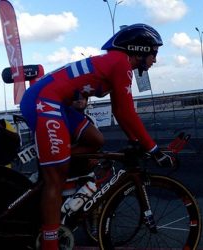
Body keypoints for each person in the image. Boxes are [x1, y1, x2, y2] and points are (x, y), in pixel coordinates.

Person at [19, 23, 175, 250]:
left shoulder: (117, 62)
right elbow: (127, 113)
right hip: (43, 100)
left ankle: (54, 156)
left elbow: (120, 111)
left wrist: (137, 142)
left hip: (54, 102)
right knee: (56, 179)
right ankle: (50, 243)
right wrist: (153, 149)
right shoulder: (121, 63)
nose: (155, 59)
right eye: (154, 53)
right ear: (140, 49)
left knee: (96, 140)